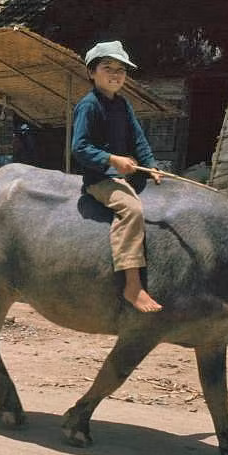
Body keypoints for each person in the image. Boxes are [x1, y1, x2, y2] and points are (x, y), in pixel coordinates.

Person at [71, 41, 163, 313]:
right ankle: (132, 285)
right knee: (132, 209)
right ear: (92, 73)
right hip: (100, 179)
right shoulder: (88, 106)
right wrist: (112, 160)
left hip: (129, 175)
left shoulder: (123, 104)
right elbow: (80, 147)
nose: (115, 74)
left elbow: (138, 139)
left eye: (121, 70)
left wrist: (151, 164)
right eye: (107, 68)